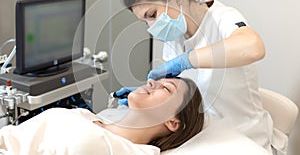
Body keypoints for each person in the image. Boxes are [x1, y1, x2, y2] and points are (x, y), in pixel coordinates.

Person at [117, 0, 273, 153]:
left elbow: (253, 47)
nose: (151, 27)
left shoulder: (222, 18)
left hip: (244, 139)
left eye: (152, 15)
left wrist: (186, 61)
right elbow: (179, 95)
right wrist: (148, 93)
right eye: (145, 21)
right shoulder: (174, 35)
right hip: (203, 135)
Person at [0, 77, 204, 154]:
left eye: (165, 88)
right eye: (155, 80)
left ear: (173, 121)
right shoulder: (84, 116)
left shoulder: (132, 152)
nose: (151, 83)